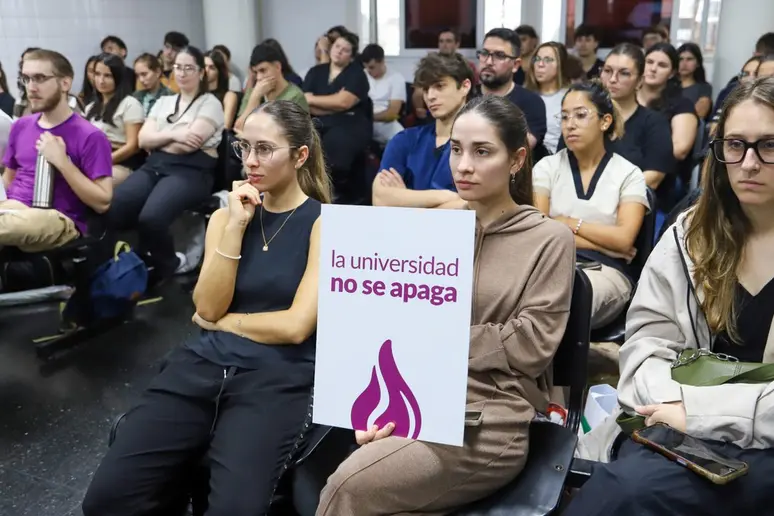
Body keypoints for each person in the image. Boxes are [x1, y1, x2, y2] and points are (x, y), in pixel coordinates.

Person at [317, 94, 575, 516]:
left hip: (490, 417)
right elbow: (392, 324)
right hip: (417, 395)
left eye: (482, 151)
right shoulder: (436, 230)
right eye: (456, 150)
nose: (464, 165)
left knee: (346, 488)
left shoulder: (549, 239)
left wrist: (433, 338)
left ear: (517, 160)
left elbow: (532, 345)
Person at [83, 99, 331, 515]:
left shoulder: (326, 223)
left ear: (300, 155)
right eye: (243, 147)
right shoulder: (226, 217)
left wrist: (225, 322)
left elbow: (294, 327)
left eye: (265, 149)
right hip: (202, 365)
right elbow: (207, 305)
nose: (250, 161)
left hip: (275, 377)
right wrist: (234, 226)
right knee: (106, 500)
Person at [565, 76, 774, 516]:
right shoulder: (691, 234)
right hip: (679, 427)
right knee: (619, 493)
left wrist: (700, 411)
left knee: (639, 494)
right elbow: (645, 353)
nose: (749, 163)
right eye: (735, 145)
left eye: (769, 146)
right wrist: (684, 411)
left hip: (753, 437)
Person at [534, 81, 648, 328]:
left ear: (605, 122)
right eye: (564, 117)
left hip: (607, 272)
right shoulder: (546, 167)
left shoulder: (629, 174)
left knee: (570, 298)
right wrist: (606, 245)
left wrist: (566, 223)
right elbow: (538, 234)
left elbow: (624, 240)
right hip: (551, 262)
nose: (570, 124)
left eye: (580, 115)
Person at [107, 46, 224, 282]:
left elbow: (191, 144)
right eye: (178, 67)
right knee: (116, 207)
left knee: (151, 217)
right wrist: (175, 135)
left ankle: (170, 262)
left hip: (191, 170)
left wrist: (161, 137)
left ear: (201, 72)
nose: (181, 73)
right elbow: (142, 139)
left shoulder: (210, 103)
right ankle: (138, 257)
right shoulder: (164, 101)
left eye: (188, 68)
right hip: (156, 165)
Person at [0, 49, 112, 252]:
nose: (31, 88)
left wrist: (62, 162)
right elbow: (9, 179)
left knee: (24, 222)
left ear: (65, 83)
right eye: (27, 79)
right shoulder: (21, 126)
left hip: (57, 218)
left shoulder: (90, 136)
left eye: (40, 78)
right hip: (14, 211)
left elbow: (102, 202)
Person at [372, 52, 471, 208]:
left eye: (439, 86)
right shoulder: (404, 139)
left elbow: (476, 207)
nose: (430, 96)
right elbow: (380, 198)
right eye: (425, 89)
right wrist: (449, 197)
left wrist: (405, 199)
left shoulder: (480, 144)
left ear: (465, 86)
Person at [303, 31, 371, 205]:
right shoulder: (316, 71)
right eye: (337, 46)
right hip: (319, 122)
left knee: (337, 142)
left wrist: (315, 100)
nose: (339, 51)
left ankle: (336, 194)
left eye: (345, 50)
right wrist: (330, 103)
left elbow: (343, 102)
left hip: (350, 123)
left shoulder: (357, 74)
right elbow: (306, 102)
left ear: (351, 56)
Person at [637, 43, 698, 220]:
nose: (653, 69)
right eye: (649, 62)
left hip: (665, 176)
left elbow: (680, 150)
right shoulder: (626, 98)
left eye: (662, 65)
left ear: (672, 73)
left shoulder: (681, 103)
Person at [477, 28, 547, 151]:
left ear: (515, 65)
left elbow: (516, 149)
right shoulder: (465, 95)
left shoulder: (531, 102)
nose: (488, 61)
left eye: (499, 55)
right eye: (484, 53)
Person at [85, 53, 145, 185]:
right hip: (94, 159)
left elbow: (133, 146)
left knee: (90, 185)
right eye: (97, 74)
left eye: (108, 76)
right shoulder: (91, 107)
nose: (101, 80)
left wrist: (104, 161)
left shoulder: (130, 104)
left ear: (118, 78)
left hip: (122, 163)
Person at [233, 43, 308, 132]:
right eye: (256, 72)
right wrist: (255, 97)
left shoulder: (295, 96)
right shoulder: (253, 92)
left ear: (277, 67)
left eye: (263, 70)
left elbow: (297, 135)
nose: (259, 77)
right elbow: (238, 128)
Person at [525, 42, 572, 153]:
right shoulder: (525, 96)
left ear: (561, 65)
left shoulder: (570, 97)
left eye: (548, 60)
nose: (540, 64)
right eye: (537, 59)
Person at [361, 43, 406, 145]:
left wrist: (369, 117)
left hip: (385, 123)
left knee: (404, 140)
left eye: (372, 67)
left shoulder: (396, 78)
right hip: (362, 122)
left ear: (382, 61)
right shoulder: (362, 75)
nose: (369, 70)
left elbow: (392, 113)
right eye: (366, 67)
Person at [678, 42, 713, 119]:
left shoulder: (704, 88)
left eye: (689, 59)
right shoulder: (668, 85)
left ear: (698, 63)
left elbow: (699, 114)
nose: (684, 63)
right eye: (680, 59)